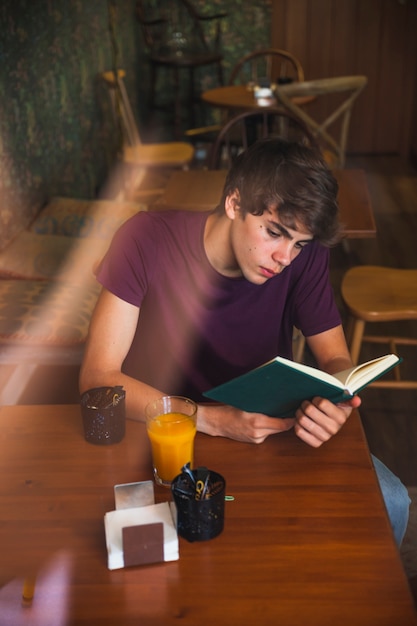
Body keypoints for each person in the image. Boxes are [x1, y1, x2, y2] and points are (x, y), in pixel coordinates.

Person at [80, 137, 410, 545]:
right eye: (274, 232)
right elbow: (98, 379)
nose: (285, 258)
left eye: (299, 244)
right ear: (234, 203)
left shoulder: (300, 257)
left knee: (393, 501)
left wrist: (335, 403)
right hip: (166, 434)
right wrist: (212, 419)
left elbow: (335, 358)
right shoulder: (145, 238)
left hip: (270, 428)